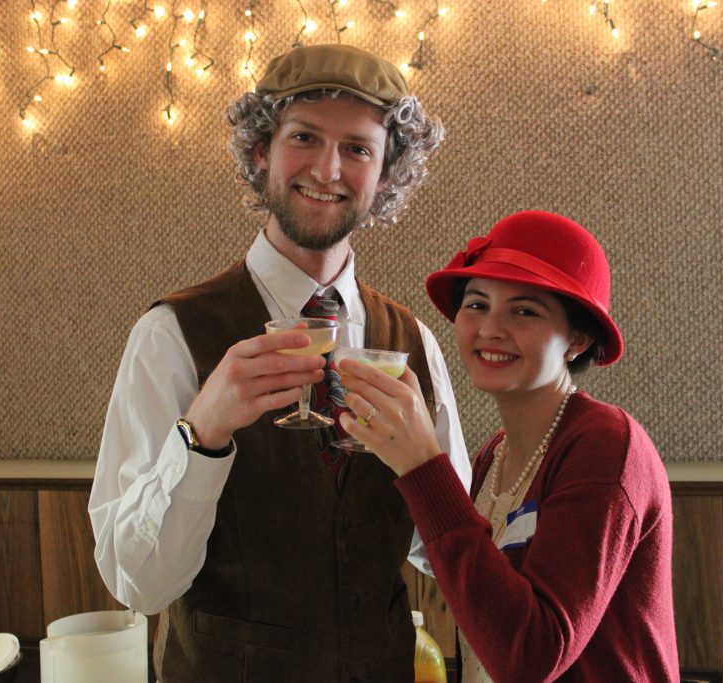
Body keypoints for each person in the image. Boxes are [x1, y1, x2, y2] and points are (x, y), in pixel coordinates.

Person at [88, 43, 471, 682]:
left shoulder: (415, 346)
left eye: (358, 149)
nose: (327, 169)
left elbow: (450, 560)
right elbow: (140, 586)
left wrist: (425, 468)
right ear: (262, 150)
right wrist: (202, 434)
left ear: (385, 175)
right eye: (304, 137)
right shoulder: (170, 336)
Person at [337, 210, 680, 682]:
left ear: (577, 339)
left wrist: (421, 464)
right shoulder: (494, 456)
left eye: (524, 311)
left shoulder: (604, 444)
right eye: (476, 304)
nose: (490, 329)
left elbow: (532, 656)